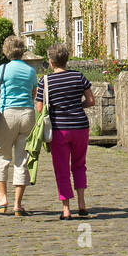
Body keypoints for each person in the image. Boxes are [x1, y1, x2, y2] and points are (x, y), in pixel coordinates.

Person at [35, 42, 95, 220]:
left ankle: (66, 209)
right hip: (80, 127)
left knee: (61, 168)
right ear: (66, 60)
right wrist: (78, 105)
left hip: (59, 129)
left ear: (51, 62)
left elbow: (39, 108)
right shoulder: (79, 77)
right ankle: (82, 204)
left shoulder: (46, 81)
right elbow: (91, 100)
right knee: (79, 164)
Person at [0, 34, 38, 216]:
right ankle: (18, 204)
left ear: (6, 51)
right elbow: (33, 93)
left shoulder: (2, 69)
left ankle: (2, 200)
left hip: (7, 114)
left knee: (2, 155)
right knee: (22, 158)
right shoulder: (31, 71)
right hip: (27, 114)